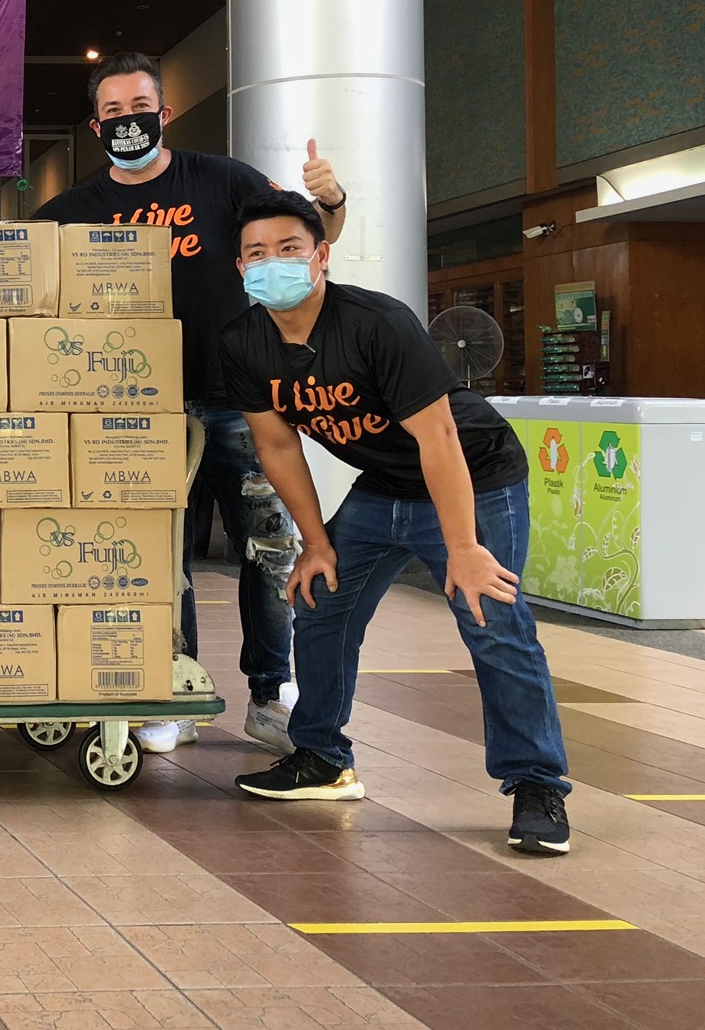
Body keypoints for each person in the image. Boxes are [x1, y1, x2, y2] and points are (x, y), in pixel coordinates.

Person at [219, 189, 570, 855]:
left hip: (474, 475)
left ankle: (536, 782)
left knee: (491, 618)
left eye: (289, 248)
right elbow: (277, 446)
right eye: (256, 253)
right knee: (321, 599)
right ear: (240, 268)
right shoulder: (243, 342)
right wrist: (315, 543)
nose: (272, 262)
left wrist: (464, 547)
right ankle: (321, 757)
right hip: (383, 487)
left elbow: (439, 437)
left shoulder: (376, 322)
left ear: (321, 255)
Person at [35, 52, 348, 756]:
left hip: (242, 402)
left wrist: (330, 201)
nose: (128, 121)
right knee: (156, 558)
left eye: (139, 107)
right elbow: (11, 271)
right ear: (95, 126)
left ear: (164, 114)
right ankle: (169, 690)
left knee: (268, 549)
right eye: (113, 111)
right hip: (134, 415)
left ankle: (270, 694)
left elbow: (311, 240)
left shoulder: (225, 180)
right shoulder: (73, 211)